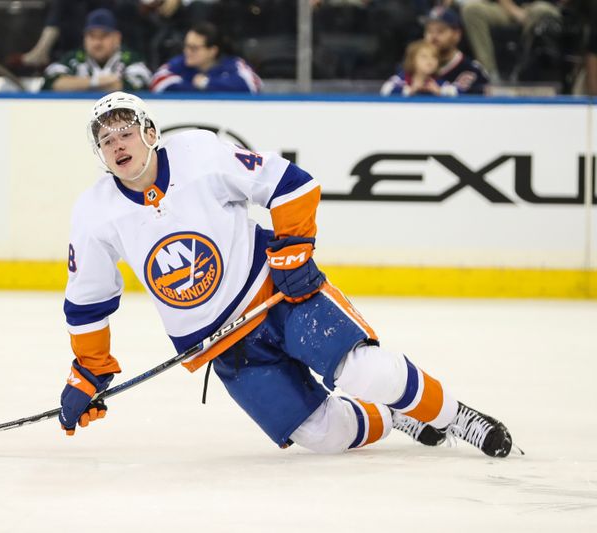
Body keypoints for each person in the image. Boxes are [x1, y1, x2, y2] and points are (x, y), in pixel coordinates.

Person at [58, 91, 516, 459]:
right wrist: (89, 373)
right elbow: (88, 300)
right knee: (325, 435)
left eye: (125, 131)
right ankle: (396, 417)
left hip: (278, 296)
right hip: (224, 345)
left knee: (365, 371)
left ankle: (457, 418)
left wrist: (295, 249)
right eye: (105, 139)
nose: (117, 143)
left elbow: (291, 183)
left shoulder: (198, 153)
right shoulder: (94, 213)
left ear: (150, 132)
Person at [41, 8, 151, 92]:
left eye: (103, 36)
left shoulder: (130, 58)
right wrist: (99, 81)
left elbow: (135, 86)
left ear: (117, 38)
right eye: (92, 36)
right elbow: (53, 82)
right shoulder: (73, 58)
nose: (97, 42)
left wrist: (77, 84)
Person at [461, 0, 562, 80]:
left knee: (542, 10)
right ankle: (489, 73)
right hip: (507, 8)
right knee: (472, 10)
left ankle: (522, 68)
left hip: (539, 8)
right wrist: (513, 10)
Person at [150, 21, 261, 93]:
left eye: (194, 48)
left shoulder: (233, 64)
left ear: (212, 51)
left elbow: (253, 84)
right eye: (186, 46)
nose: (187, 51)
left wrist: (207, 83)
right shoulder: (180, 63)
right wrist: (193, 87)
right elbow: (157, 81)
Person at [422, 6, 490, 95]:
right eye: (429, 31)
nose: (433, 37)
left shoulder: (472, 70)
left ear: (456, 34)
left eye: (440, 31)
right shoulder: (414, 67)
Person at [381, 39, 458, 96]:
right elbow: (386, 90)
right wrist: (410, 90)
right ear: (412, 60)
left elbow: (457, 92)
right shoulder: (401, 79)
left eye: (434, 57)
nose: (430, 61)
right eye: (424, 57)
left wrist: (439, 91)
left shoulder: (437, 82)